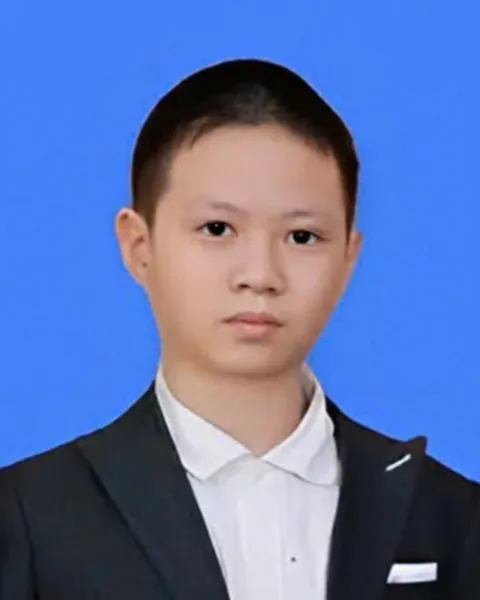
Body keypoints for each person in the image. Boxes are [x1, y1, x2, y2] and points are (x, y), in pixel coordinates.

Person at [0, 58, 479, 600]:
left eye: (302, 237)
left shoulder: (449, 516)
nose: (260, 275)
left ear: (349, 258)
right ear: (139, 246)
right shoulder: (28, 519)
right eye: (217, 228)